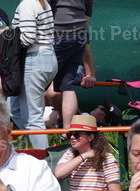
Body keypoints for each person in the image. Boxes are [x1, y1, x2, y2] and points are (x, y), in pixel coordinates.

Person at [53, 114, 121, 191]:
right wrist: (84, 156)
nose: (72, 137)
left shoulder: (106, 159)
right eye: (70, 134)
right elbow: (59, 173)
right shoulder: (71, 154)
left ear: (90, 137)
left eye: (77, 134)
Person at [12, 0, 57, 150]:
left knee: (33, 118)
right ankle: (32, 142)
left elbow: (28, 38)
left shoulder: (28, 4)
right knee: (13, 108)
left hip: (35, 59)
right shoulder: (42, 2)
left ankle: (43, 159)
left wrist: (6, 36)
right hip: (47, 57)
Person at [50, 0, 96, 129]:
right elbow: (87, 16)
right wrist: (90, 73)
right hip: (78, 36)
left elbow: (41, 7)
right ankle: (67, 130)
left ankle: (34, 131)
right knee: (67, 86)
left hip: (57, 33)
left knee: (41, 87)